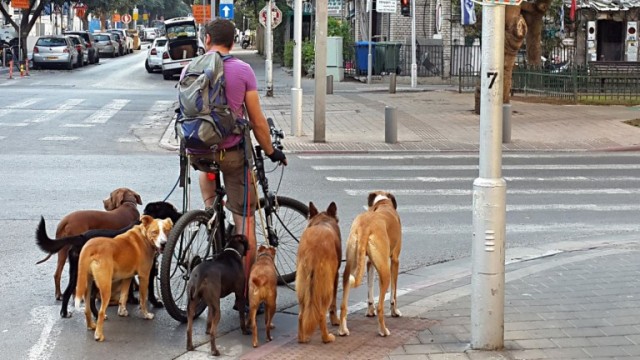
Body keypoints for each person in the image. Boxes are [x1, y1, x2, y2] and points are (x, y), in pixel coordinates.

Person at [187, 19, 287, 295]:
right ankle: (244, 294)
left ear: (207, 39)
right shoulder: (243, 71)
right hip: (231, 153)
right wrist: (271, 150)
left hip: (198, 152)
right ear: (233, 41)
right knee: (246, 223)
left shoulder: (192, 67)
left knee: (207, 178)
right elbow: (257, 121)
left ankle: (210, 219)